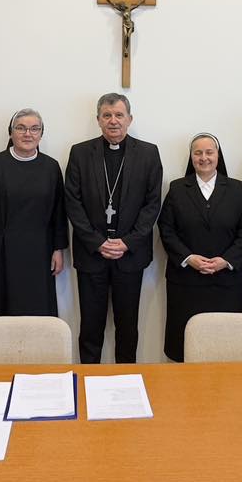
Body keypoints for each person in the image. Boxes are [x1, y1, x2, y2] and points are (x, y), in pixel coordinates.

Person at [65, 92, 162, 363]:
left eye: (119, 115)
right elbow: (72, 202)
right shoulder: (80, 153)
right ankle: (88, 377)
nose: (113, 121)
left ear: (130, 119)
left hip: (130, 256)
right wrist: (97, 242)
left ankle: (127, 380)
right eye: (107, 115)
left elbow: (152, 203)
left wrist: (128, 242)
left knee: (127, 327)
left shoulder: (148, 153)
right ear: (98, 120)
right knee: (90, 327)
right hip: (92, 254)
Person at [156, 133, 242, 361]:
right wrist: (188, 257)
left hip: (227, 282)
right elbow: (166, 229)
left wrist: (226, 260)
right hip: (186, 281)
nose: (204, 158)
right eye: (198, 153)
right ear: (191, 157)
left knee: (225, 345)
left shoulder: (237, 189)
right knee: (185, 345)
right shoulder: (177, 189)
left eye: (209, 152)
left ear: (218, 156)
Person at [0, 109, 68, 318]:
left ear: (41, 134)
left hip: (39, 253)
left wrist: (58, 248)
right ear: (11, 132)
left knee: (35, 313)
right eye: (21, 128)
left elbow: (58, 212)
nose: (28, 134)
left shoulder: (51, 167)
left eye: (34, 129)